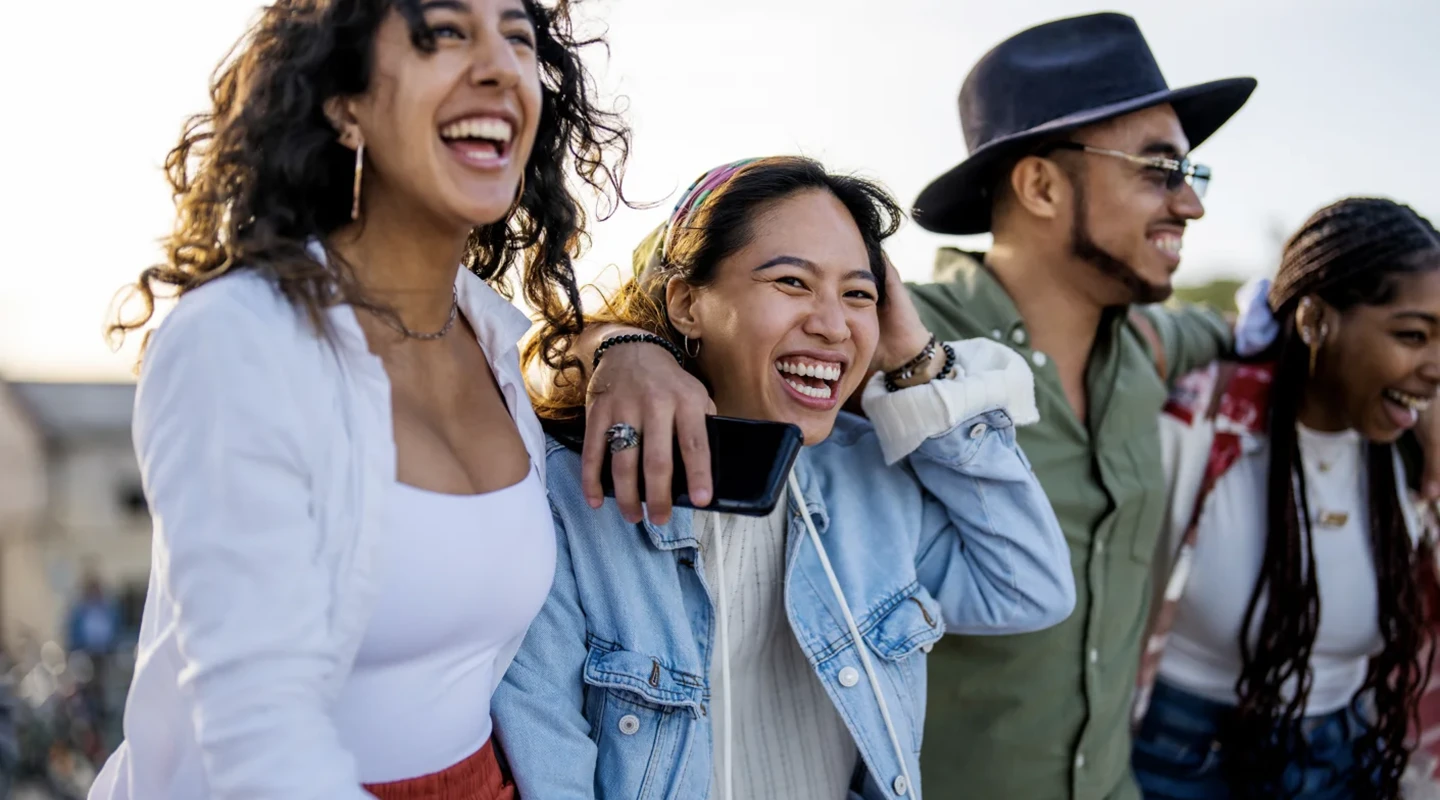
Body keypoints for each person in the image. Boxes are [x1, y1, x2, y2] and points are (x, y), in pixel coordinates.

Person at [569, 14, 1247, 799]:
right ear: (1040, 184)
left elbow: (1238, 329)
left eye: (855, 291)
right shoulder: (879, 351)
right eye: (1159, 169)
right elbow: (665, 326)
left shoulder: (1151, 349)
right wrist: (623, 345)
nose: (1189, 204)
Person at [89, 1, 628, 798]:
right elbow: (259, 741)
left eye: (517, 38)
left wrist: (629, 348)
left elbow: (590, 346)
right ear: (344, 102)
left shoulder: (503, 346)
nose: (498, 67)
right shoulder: (238, 341)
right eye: (443, 33)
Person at [492, 156, 1075, 799]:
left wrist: (912, 357)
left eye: (860, 295)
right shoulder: (567, 498)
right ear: (687, 302)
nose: (832, 325)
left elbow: (1028, 587)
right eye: (793, 282)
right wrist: (616, 342)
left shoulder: (866, 476)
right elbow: (549, 770)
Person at [1135, 197, 1440, 799]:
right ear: (1314, 321)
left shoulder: (1413, 453)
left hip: (1352, 753)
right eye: (1412, 335)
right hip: (1181, 755)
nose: (1435, 367)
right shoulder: (1198, 425)